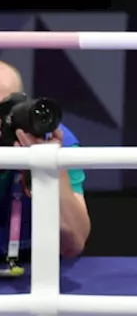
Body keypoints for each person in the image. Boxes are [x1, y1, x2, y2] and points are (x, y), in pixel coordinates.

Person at [0, 61, 91, 262]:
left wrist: (49, 170)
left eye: (5, 109)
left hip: (32, 263)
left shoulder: (55, 141)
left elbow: (72, 244)